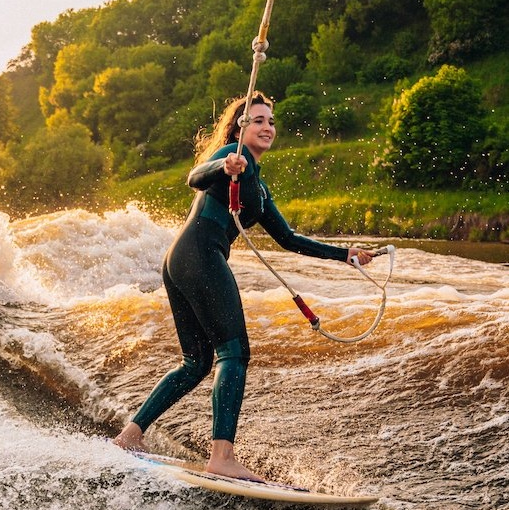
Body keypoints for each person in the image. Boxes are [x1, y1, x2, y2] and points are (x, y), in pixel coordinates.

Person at [113, 92, 376, 481]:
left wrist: (345, 255)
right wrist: (225, 166)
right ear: (240, 128)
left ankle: (129, 436)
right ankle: (222, 457)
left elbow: (289, 239)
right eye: (257, 121)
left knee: (197, 362)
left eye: (271, 121)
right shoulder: (229, 157)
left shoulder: (258, 185)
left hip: (182, 260)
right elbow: (194, 177)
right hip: (199, 254)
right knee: (233, 352)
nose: (267, 127)